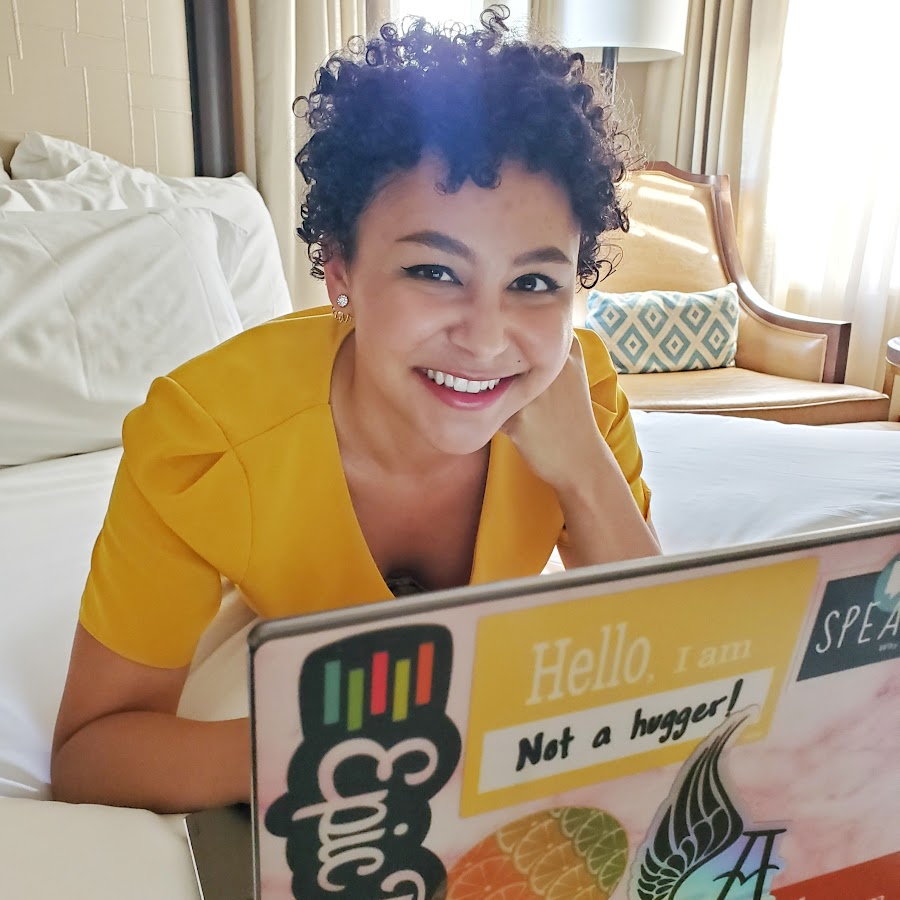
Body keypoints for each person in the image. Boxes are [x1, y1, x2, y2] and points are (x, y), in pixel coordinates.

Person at [51, 5, 660, 813]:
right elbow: (91, 756)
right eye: (434, 272)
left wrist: (584, 470)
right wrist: (348, 750)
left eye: (534, 282)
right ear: (339, 271)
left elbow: (662, 671)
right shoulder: (204, 441)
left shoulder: (581, 395)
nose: (486, 340)